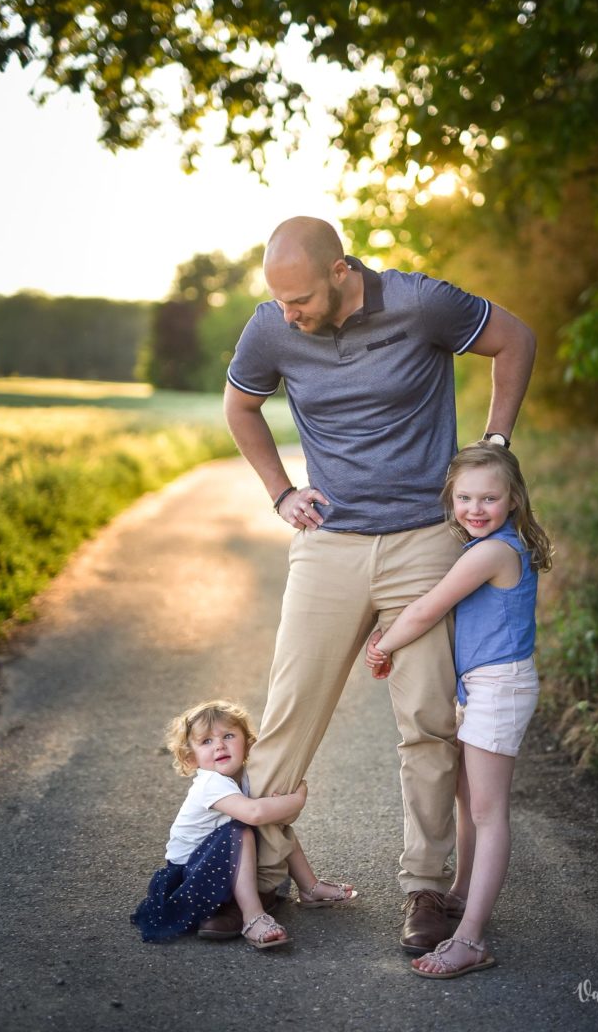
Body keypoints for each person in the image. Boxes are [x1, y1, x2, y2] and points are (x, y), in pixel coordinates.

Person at [223, 215, 536, 952]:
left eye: (300, 298)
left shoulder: (420, 304)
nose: (288, 314)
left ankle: (425, 889)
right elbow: (240, 406)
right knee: (290, 712)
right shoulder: (270, 328)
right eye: (279, 300)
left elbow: (514, 338)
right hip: (328, 543)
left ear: (341, 271)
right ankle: (258, 877)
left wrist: (493, 444)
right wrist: (280, 492)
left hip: (425, 542)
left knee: (427, 722)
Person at [365, 443, 552, 978]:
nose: (475, 508)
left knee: (488, 814)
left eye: (489, 498)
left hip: (499, 688)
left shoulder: (492, 553)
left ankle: (470, 938)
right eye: (464, 497)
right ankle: (461, 893)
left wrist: (382, 645)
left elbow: (428, 608)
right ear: (450, 498)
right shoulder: (490, 544)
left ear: (513, 499)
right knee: (469, 802)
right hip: (482, 688)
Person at [130, 699, 357, 946]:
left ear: (247, 743)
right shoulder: (210, 783)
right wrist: (298, 798)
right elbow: (255, 813)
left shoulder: (246, 775)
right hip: (191, 875)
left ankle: (309, 887)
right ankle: (253, 917)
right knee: (241, 831)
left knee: (271, 823)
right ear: (191, 758)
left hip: (216, 864)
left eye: (228, 736)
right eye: (206, 741)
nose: (219, 745)